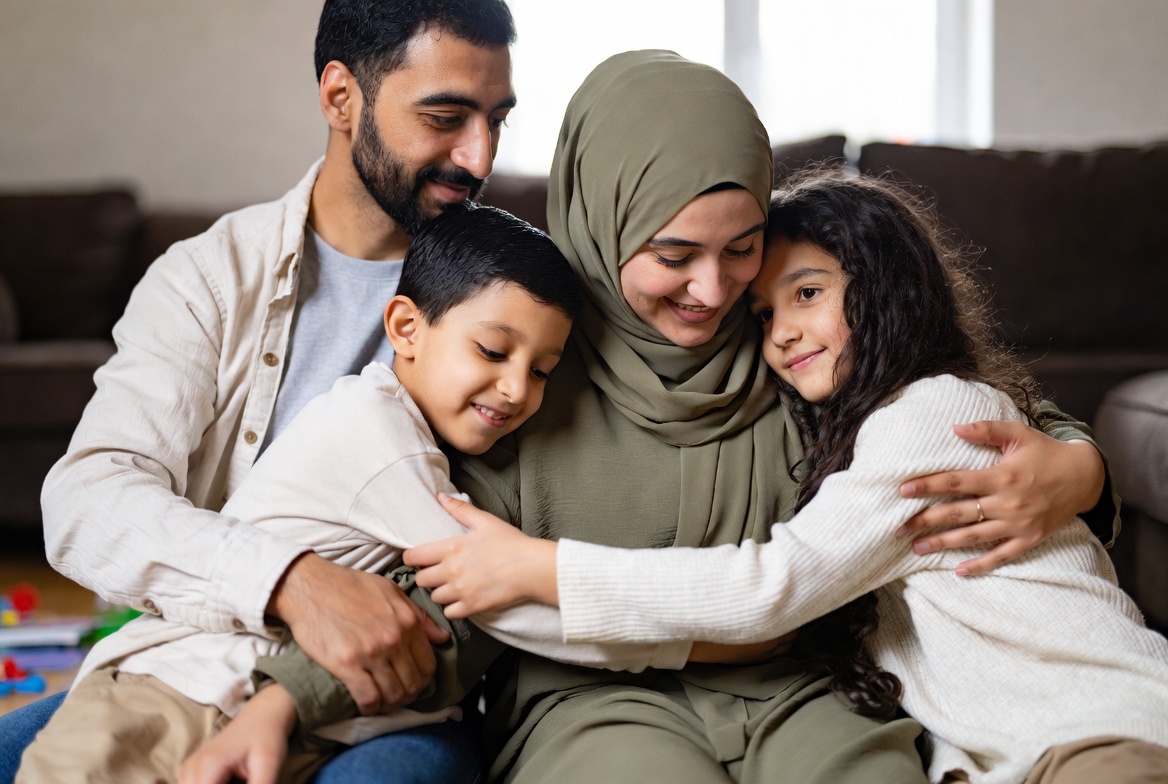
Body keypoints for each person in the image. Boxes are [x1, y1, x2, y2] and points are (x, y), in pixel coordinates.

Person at [258, 51, 1116, 783]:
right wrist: (286, 698)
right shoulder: (524, 373)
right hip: (588, 701)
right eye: (673, 256)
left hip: (807, 692)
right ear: (600, 221)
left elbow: (958, 394)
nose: (713, 291)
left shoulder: (796, 341)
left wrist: (1081, 464)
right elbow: (443, 586)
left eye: (741, 247)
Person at [409, 172, 1168, 784]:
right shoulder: (836, 421)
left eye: (808, 294)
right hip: (1006, 752)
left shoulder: (932, 414)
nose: (785, 333)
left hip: (1099, 732)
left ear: (887, 288)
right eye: (764, 315)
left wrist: (544, 567)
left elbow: (773, 585)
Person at [0, 1, 519, 782]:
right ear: (341, 97)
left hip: (383, 704)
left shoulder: (515, 307)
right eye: (446, 117)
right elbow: (85, 499)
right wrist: (291, 583)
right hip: (187, 670)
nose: (478, 157)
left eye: (497, 119)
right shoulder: (207, 279)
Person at [20, 204, 689, 783]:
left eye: (541, 370)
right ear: (404, 329)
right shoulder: (380, 437)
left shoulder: (415, 435)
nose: (518, 388)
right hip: (172, 687)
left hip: (266, 703)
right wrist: (673, 639)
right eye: (492, 351)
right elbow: (493, 600)